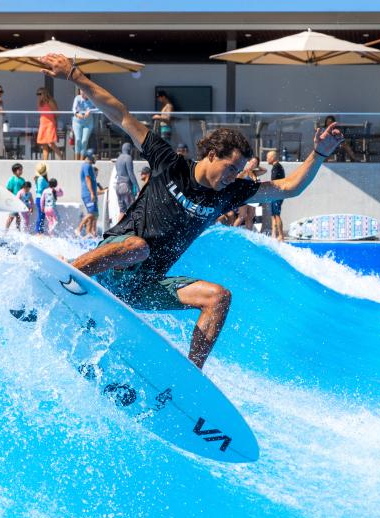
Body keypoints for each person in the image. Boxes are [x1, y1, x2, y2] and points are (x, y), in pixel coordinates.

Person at [39, 52, 344, 369]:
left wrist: (319, 154)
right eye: (229, 168)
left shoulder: (229, 193)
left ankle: (192, 376)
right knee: (138, 247)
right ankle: (65, 278)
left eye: (238, 171)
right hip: (113, 262)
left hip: (145, 287)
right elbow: (122, 115)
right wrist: (75, 75)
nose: (232, 177)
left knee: (218, 297)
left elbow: (288, 187)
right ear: (212, 154)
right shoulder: (170, 163)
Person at [76, 150, 105, 238]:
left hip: (91, 193)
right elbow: (88, 179)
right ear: (90, 156)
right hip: (88, 193)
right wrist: (92, 193)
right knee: (92, 213)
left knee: (94, 214)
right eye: (95, 156)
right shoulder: (87, 166)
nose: (96, 158)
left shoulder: (89, 166)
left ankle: (89, 234)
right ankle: (79, 229)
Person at [232, 156, 266, 230]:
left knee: (250, 217)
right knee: (242, 216)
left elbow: (265, 170)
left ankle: (249, 234)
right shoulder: (243, 171)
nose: (252, 164)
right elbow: (237, 181)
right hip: (242, 197)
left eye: (255, 163)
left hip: (252, 197)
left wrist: (257, 166)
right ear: (249, 162)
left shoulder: (255, 173)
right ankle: (231, 232)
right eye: (252, 162)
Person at [36, 87, 62, 160]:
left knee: (51, 143)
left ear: (44, 93)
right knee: (44, 144)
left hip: (50, 124)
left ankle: (61, 158)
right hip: (42, 124)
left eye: (40, 93)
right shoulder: (40, 102)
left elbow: (57, 113)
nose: (38, 95)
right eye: (37, 94)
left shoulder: (50, 101)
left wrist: (55, 122)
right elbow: (40, 112)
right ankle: (45, 162)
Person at [113, 142, 138, 219]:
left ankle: (118, 229)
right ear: (129, 149)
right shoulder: (128, 158)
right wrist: (137, 187)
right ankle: (131, 230)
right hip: (125, 186)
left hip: (118, 185)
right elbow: (131, 174)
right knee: (132, 209)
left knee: (122, 210)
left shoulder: (118, 159)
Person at [265, 150, 285, 241]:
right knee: (273, 215)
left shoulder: (277, 167)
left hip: (277, 194)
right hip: (275, 194)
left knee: (277, 214)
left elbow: (274, 182)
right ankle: (274, 234)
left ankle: (281, 235)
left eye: (268, 157)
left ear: (273, 157)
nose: (266, 159)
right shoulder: (276, 167)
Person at [71, 88, 95, 158]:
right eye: (81, 90)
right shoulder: (77, 98)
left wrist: (90, 110)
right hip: (77, 122)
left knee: (84, 141)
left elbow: (99, 108)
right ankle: (76, 159)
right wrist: (77, 114)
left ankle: (81, 160)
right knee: (78, 139)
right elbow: (74, 109)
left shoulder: (92, 99)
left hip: (88, 123)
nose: (82, 92)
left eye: (84, 91)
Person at [5, 162, 27, 233]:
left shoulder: (22, 180)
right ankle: (6, 230)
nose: (21, 171)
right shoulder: (12, 179)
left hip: (19, 201)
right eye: (19, 170)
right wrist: (11, 198)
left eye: (22, 170)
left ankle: (18, 230)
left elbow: (24, 190)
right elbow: (8, 189)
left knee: (17, 217)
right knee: (11, 216)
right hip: (13, 201)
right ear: (15, 171)